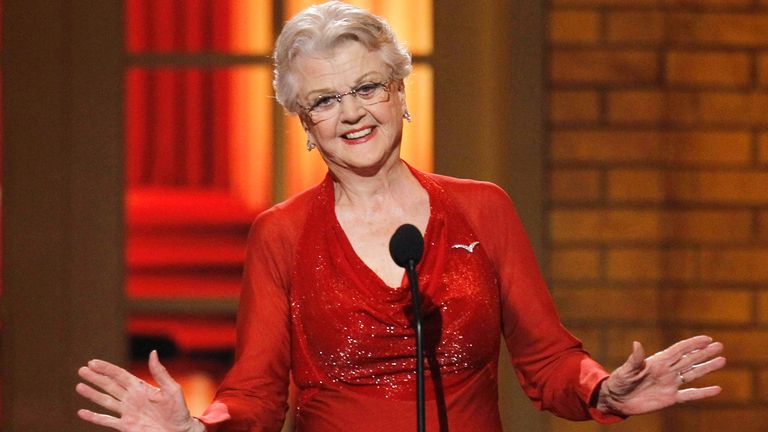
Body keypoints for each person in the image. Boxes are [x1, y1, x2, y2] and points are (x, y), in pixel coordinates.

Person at [76, 2, 726, 431]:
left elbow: (549, 360)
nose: (352, 112)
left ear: (399, 93)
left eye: (366, 87)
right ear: (305, 124)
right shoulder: (281, 233)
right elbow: (256, 395)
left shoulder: (484, 209)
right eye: (325, 100)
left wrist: (604, 390)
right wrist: (196, 426)